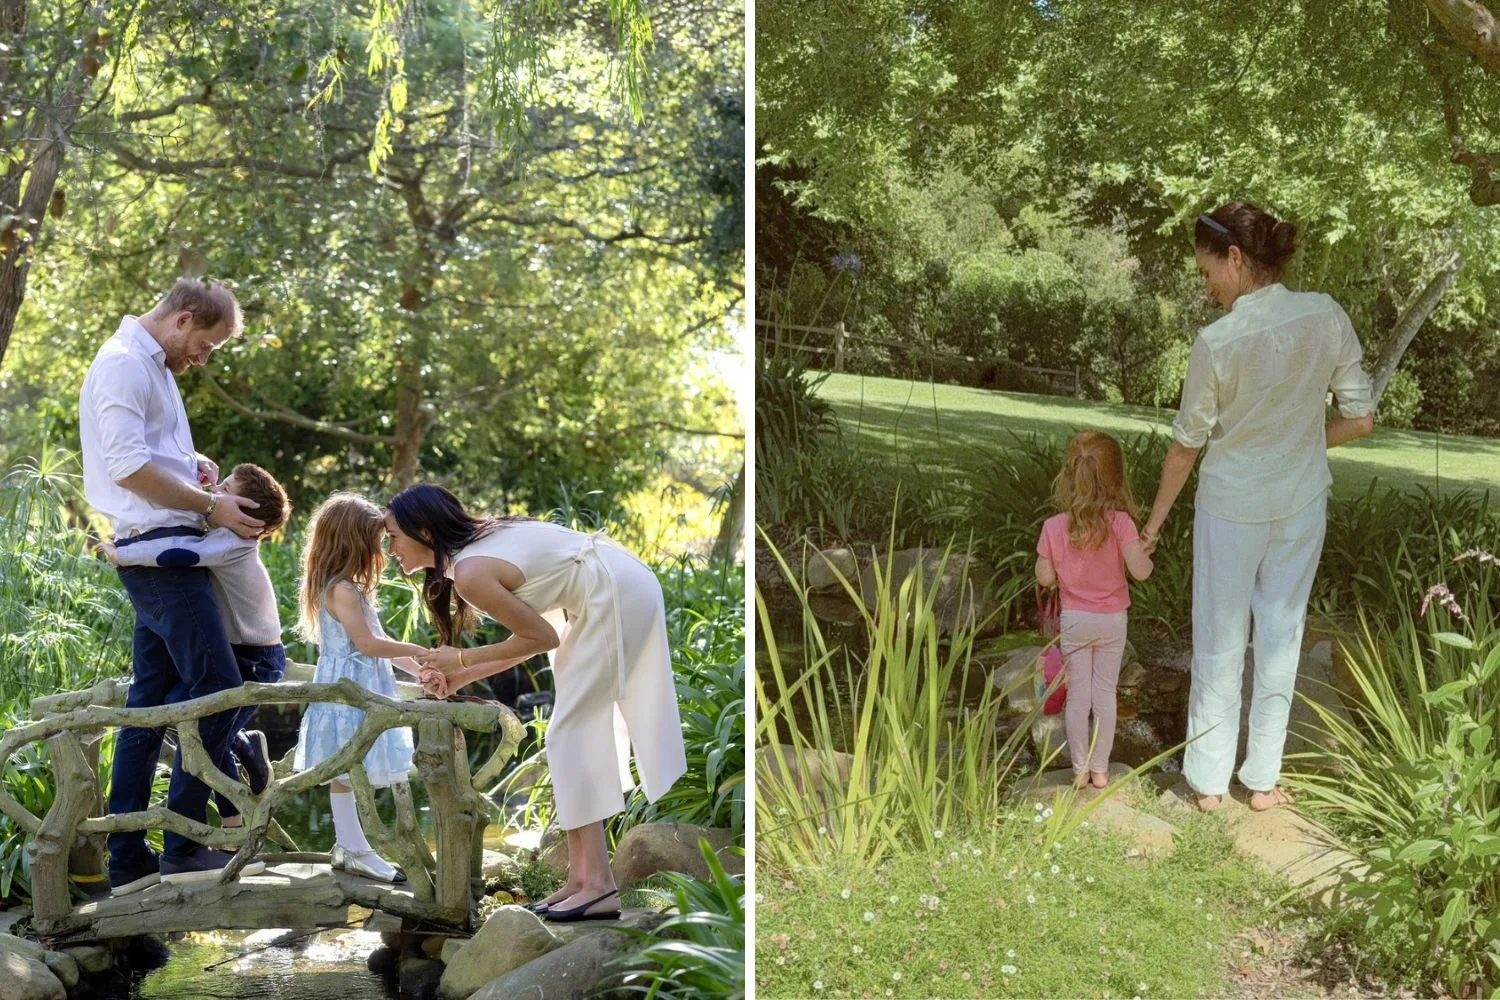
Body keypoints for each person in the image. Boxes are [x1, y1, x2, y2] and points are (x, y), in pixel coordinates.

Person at [1140, 202, 1375, 812]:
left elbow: (1186, 447)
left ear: (1236, 259)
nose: (1207, 285)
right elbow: (1361, 416)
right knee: (1282, 633)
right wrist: (1301, 441)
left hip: (1233, 505)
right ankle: (1264, 780)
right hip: (1301, 504)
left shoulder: (1218, 343)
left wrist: (1153, 525)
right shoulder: (1326, 316)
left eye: (1206, 271)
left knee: (1219, 636)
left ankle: (1210, 783)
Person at [385, 484, 686, 923]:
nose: (389, 548)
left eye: (393, 536)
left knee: (570, 733)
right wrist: (459, 675)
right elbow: (526, 642)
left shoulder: (470, 571)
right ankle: (583, 880)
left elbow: (543, 637)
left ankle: (599, 886)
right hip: (615, 586)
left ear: (425, 532)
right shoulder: (479, 549)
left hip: (617, 594)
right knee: (571, 734)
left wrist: (462, 658)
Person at [81, 278, 270, 892]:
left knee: (149, 708)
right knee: (219, 687)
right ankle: (185, 842)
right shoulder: (124, 366)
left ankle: (130, 860)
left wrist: (192, 469)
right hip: (162, 559)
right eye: (207, 345)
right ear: (184, 319)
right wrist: (211, 507)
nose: (203, 359)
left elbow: (150, 457)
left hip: (160, 551)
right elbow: (127, 468)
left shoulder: (155, 365)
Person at [104, 463, 291, 826]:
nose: (214, 495)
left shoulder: (233, 543)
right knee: (193, 717)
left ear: (246, 514)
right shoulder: (221, 533)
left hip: (257, 659)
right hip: (240, 651)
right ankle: (241, 759)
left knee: (204, 722)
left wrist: (122, 554)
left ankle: (233, 806)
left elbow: (180, 553)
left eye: (225, 490)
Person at [293, 493, 428, 883]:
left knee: (352, 769)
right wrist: (421, 648)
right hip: (349, 694)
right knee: (348, 767)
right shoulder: (342, 590)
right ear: (355, 542)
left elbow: (379, 641)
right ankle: (355, 848)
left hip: (360, 689)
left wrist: (420, 669)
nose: (383, 549)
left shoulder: (351, 588)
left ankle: (350, 844)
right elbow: (368, 645)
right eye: (377, 540)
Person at [1035, 432, 1154, 790]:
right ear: (1117, 479)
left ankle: (1078, 769)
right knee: (1105, 694)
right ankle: (1100, 770)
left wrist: (1056, 564)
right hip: (1112, 621)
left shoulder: (1054, 527)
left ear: (1069, 477)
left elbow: (1044, 577)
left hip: (1074, 620)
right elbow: (1141, 573)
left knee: (1078, 696)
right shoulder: (1122, 524)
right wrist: (1145, 550)